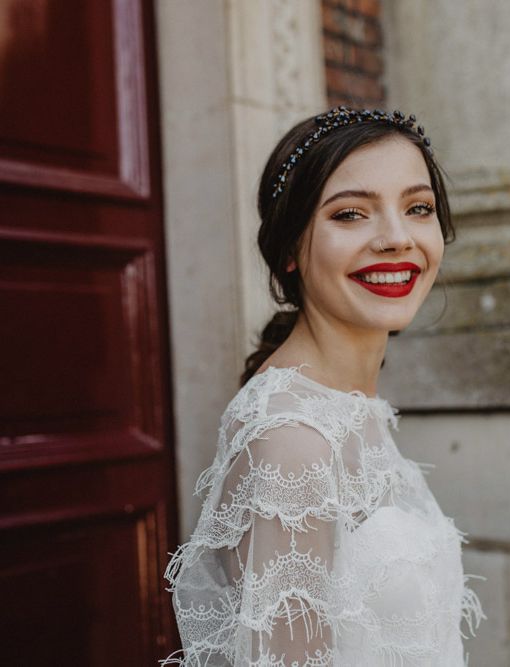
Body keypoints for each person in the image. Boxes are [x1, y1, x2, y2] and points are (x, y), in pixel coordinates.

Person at [161, 107, 485, 667]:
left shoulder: (352, 405)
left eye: (418, 208)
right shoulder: (292, 438)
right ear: (290, 248)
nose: (396, 238)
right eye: (352, 213)